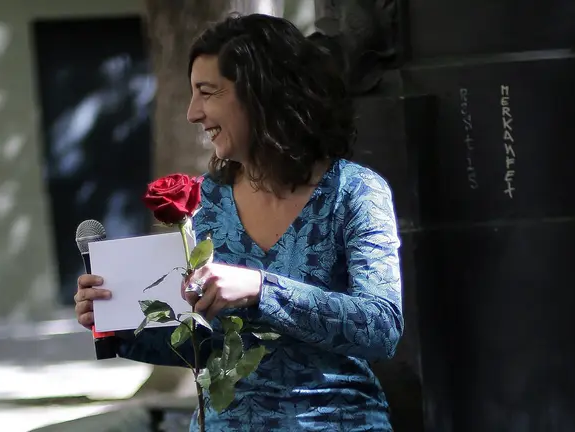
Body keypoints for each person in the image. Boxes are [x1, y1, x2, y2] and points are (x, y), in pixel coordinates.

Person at [75, 13, 404, 431]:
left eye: (207, 93)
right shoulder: (203, 200)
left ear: (262, 93)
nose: (193, 113)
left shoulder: (354, 191)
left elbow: (381, 326)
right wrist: (118, 323)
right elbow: (204, 346)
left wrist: (261, 289)